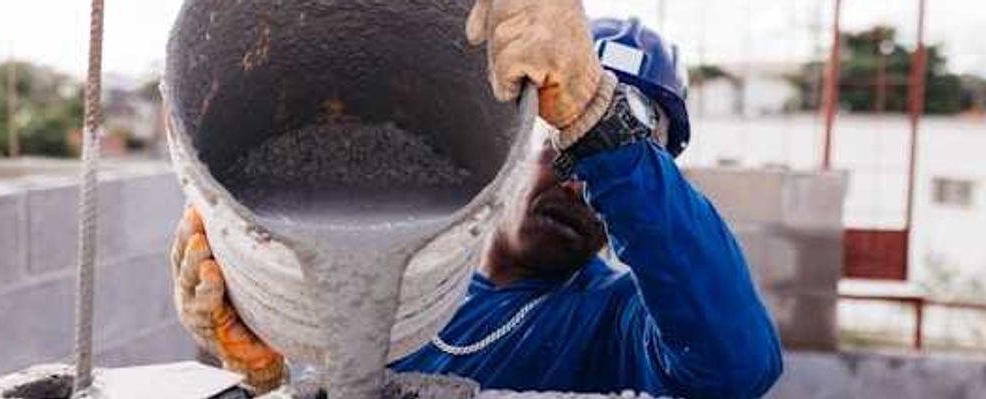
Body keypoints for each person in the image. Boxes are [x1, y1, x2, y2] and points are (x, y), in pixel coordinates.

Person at [169, 1, 782, 397]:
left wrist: (595, 116)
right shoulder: (414, 291)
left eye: (610, 154)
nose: (578, 184)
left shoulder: (614, 324)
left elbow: (738, 366)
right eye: (559, 138)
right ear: (509, 140)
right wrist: (264, 374)